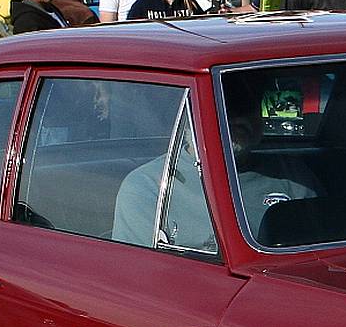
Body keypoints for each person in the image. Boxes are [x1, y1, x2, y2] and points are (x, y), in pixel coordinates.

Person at [112, 98, 317, 251]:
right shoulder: (148, 188)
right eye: (220, 106)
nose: (235, 117)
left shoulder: (292, 177)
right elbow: (142, 280)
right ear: (190, 117)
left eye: (246, 106)